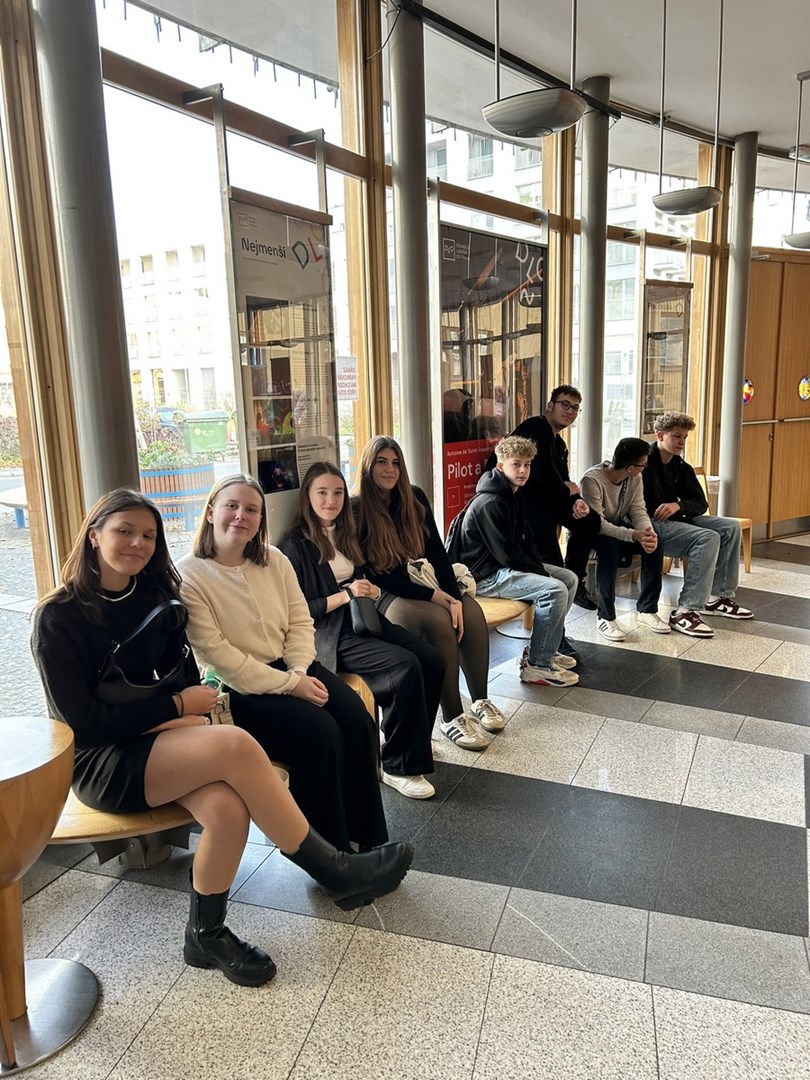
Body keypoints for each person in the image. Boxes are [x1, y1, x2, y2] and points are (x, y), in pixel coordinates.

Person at [31, 488, 412, 988]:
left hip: (163, 739)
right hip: (103, 761)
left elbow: (183, 676)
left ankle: (205, 934)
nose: (138, 544)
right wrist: (174, 710)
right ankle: (335, 869)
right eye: (124, 531)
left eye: (148, 535)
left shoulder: (153, 595)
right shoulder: (58, 617)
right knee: (238, 745)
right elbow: (81, 727)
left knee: (229, 810)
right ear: (93, 535)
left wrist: (181, 712)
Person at [177, 474, 389, 853]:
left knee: (358, 719)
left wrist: (299, 671)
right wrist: (292, 686)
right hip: (238, 691)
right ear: (210, 512)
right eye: (231, 506)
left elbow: (300, 621)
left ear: (261, 519)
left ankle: (370, 839)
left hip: (295, 667)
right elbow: (221, 659)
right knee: (321, 733)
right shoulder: (189, 576)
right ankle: (329, 853)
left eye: (251, 509)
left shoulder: (274, 559)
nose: (241, 516)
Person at [279, 462, 445, 800]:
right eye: (322, 493)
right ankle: (398, 766)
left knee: (431, 660)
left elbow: (361, 575)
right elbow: (297, 612)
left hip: (362, 617)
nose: (331, 500)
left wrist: (368, 588)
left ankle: (412, 741)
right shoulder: (294, 547)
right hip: (329, 633)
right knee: (403, 666)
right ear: (307, 496)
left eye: (337, 492)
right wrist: (346, 594)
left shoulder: (346, 532)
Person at [353, 436, 507, 750]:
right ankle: (452, 717)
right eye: (381, 462)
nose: (390, 469)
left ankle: (480, 700)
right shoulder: (357, 509)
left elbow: (438, 553)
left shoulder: (413, 496)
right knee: (438, 621)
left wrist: (453, 597)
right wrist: (435, 598)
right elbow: (374, 573)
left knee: (470, 612)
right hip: (384, 593)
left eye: (395, 463)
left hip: (423, 580)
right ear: (368, 466)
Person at [454, 436, 580, 687]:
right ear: (500, 466)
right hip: (484, 575)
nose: (523, 471)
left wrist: (539, 567)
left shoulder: (514, 493)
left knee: (569, 579)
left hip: (502, 567)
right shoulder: (490, 502)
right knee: (554, 589)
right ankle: (537, 666)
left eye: (527, 464)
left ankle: (544, 648)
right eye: (516, 464)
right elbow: (506, 554)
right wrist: (540, 573)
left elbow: (527, 541)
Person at [486, 385, 602, 620]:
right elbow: (542, 475)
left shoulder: (559, 443)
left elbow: (562, 481)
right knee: (552, 562)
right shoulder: (537, 427)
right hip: (520, 502)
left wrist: (577, 502)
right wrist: (567, 491)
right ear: (550, 406)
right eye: (565, 405)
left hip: (545, 500)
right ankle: (554, 615)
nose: (570, 411)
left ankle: (575, 578)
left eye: (575, 408)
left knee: (590, 520)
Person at [641, 411, 754, 637]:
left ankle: (716, 598)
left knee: (730, 527)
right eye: (676, 436)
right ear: (660, 435)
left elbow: (700, 503)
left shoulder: (681, 466)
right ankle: (686, 610)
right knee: (707, 537)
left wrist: (677, 505)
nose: (682, 442)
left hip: (677, 519)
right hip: (649, 523)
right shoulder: (643, 463)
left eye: (685, 437)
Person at [580, 438, 669, 641]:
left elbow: (638, 510)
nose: (644, 468)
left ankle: (647, 609)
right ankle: (605, 617)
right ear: (630, 467)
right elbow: (599, 525)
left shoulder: (635, 478)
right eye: (643, 464)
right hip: (591, 533)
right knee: (609, 547)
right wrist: (634, 535)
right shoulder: (592, 480)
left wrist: (647, 533)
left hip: (618, 527)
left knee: (656, 543)